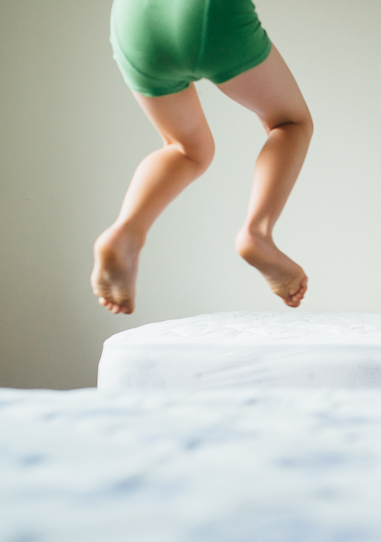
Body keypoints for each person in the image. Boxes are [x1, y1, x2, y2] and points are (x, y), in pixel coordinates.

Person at [92, 0, 313, 315]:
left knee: (185, 149)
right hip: (208, 11)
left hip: (132, 20)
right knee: (290, 122)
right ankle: (257, 233)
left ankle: (125, 232)